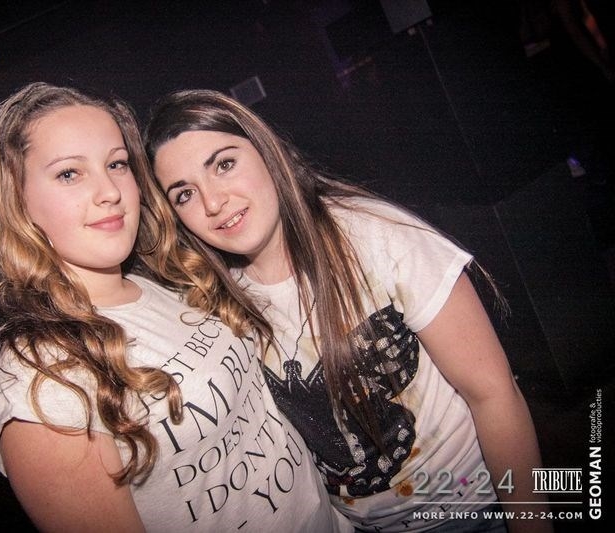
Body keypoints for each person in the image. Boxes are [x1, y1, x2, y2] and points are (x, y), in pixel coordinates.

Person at [141, 89, 553, 533]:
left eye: (224, 164)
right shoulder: (218, 303)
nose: (212, 202)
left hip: (472, 510)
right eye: (184, 194)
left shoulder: (374, 236)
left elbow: (493, 394)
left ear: (266, 152)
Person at [0, 82, 352, 532]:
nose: (109, 191)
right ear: (18, 201)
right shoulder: (38, 382)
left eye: (116, 164)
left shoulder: (160, 283)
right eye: (69, 174)